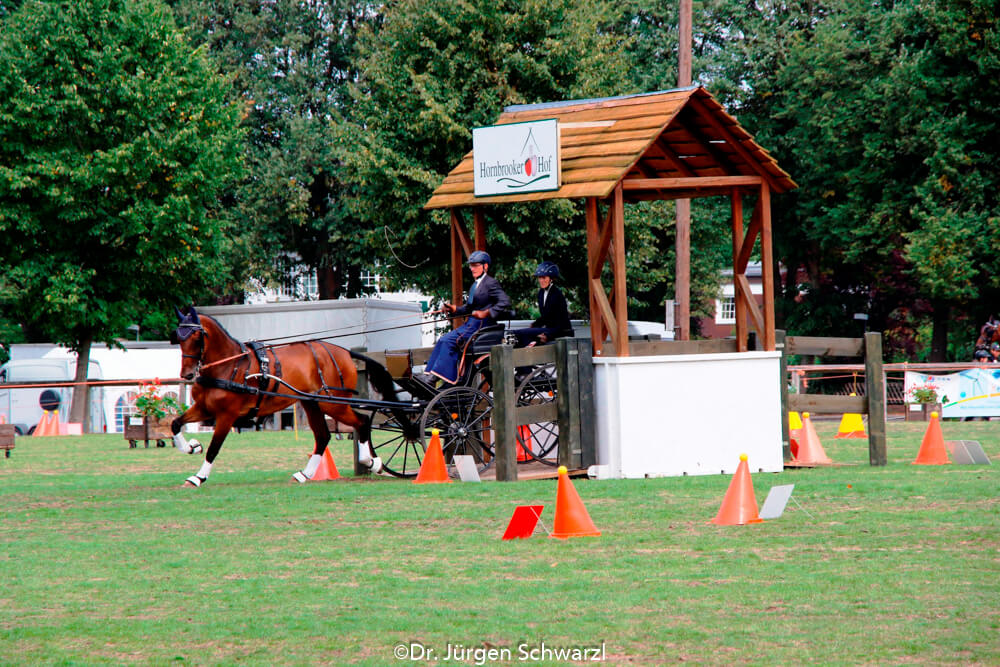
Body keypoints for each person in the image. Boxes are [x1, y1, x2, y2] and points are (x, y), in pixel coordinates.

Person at [424, 250, 511, 384]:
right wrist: (453, 308)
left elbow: (505, 301)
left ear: (485, 266)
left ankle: (435, 378)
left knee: (448, 341)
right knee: (442, 340)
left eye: (476, 265)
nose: (472, 268)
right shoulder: (475, 285)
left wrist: (486, 312)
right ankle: (430, 374)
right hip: (470, 325)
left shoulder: (491, 283)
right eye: (471, 265)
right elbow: (468, 309)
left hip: (482, 326)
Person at [512, 261, 573, 347]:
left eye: (544, 278)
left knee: (519, 334)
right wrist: (534, 325)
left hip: (559, 330)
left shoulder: (557, 294)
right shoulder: (541, 293)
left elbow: (561, 322)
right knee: (516, 334)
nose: (541, 280)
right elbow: (546, 317)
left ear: (551, 279)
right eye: (539, 278)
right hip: (548, 328)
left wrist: (548, 335)